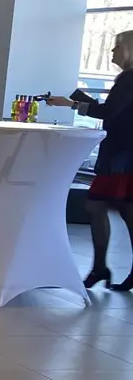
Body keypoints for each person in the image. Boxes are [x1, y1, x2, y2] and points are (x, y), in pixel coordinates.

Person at [47, 29, 133, 289]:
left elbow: (108, 112)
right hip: (123, 154)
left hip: (120, 156)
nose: (112, 51)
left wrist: (72, 104)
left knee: (98, 206)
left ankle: (99, 268)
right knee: (123, 210)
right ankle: (100, 268)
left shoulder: (128, 79)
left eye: (117, 47)